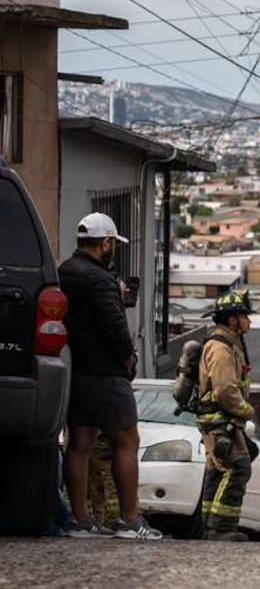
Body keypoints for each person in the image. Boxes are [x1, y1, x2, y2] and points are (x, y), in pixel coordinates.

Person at [59, 212, 162, 540]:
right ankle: (130, 522)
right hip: (106, 374)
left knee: (79, 444)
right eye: (112, 244)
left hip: (76, 373)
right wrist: (128, 358)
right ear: (105, 243)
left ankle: (80, 521)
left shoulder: (64, 272)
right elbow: (115, 329)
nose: (112, 249)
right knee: (127, 441)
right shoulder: (101, 280)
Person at [195, 292, 257, 541]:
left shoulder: (229, 344)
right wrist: (248, 411)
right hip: (220, 421)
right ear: (233, 320)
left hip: (222, 422)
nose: (249, 322)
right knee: (237, 468)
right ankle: (221, 529)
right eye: (245, 316)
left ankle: (209, 527)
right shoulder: (220, 348)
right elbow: (225, 391)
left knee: (218, 471)